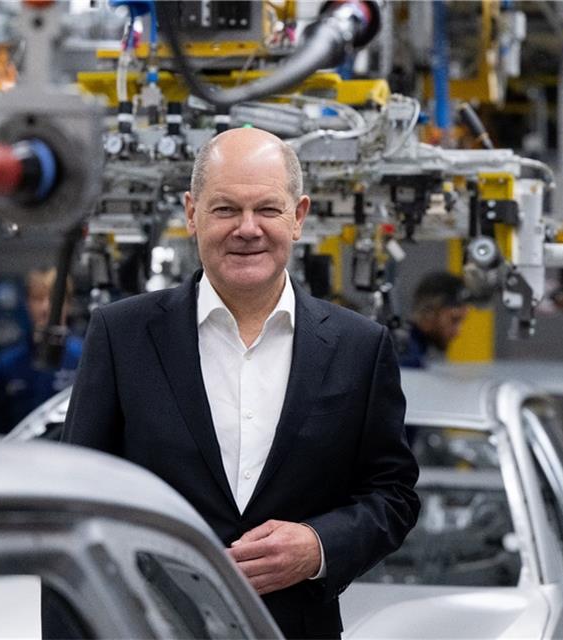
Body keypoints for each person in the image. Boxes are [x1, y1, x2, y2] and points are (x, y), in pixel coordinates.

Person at [62, 128, 419, 638]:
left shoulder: (359, 348)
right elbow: (77, 499)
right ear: (191, 213)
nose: (247, 229)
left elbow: (393, 495)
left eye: (268, 210)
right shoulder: (123, 336)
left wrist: (318, 546)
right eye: (225, 209)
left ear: (298, 217)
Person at [0, 268, 82, 435]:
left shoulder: (85, 357)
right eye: (37, 298)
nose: (45, 307)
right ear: (27, 303)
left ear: (68, 304)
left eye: (53, 299)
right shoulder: (8, 363)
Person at [396, 271, 468, 369]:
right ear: (428, 313)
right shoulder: (407, 360)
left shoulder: (411, 352)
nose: (457, 332)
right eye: (454, 320)